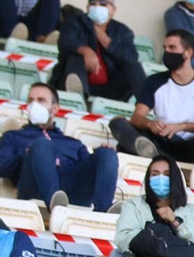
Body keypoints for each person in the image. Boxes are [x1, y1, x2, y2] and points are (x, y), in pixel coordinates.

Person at [109, 28, 194, 169]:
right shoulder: (154, 81)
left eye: (172, 47)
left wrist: (180, 127)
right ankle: (150, 152)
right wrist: (150, 124)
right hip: (161, 140)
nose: (167, 52)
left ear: (188, 52)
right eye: (165, 48)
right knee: (117, 122)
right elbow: (137, 117)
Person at [0, 82, 117, 213]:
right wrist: (28, 154)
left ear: (55, 109)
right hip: (34, 187)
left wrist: (100, 154)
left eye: (41, 100)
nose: (34, 105)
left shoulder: (73, 143)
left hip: (72, 190)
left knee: (107, 153)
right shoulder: (14, 136)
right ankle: (54, 201)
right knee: (42, 144)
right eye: (30, 101)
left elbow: (88, 169)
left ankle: (104, 210)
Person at [53, 0, 142, 101]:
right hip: (77, 82)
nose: (97, 6)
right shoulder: (74, 22)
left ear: (113, 10)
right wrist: (85, 50)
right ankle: (78, 98)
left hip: (111, 88)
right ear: (87, 7)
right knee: (75, 57)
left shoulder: (123, 31)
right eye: (93, 3)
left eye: (103, 4)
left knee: (135, 67)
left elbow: (131, 58)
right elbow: (65, 42)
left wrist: (98, 32)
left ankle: (147, 106)